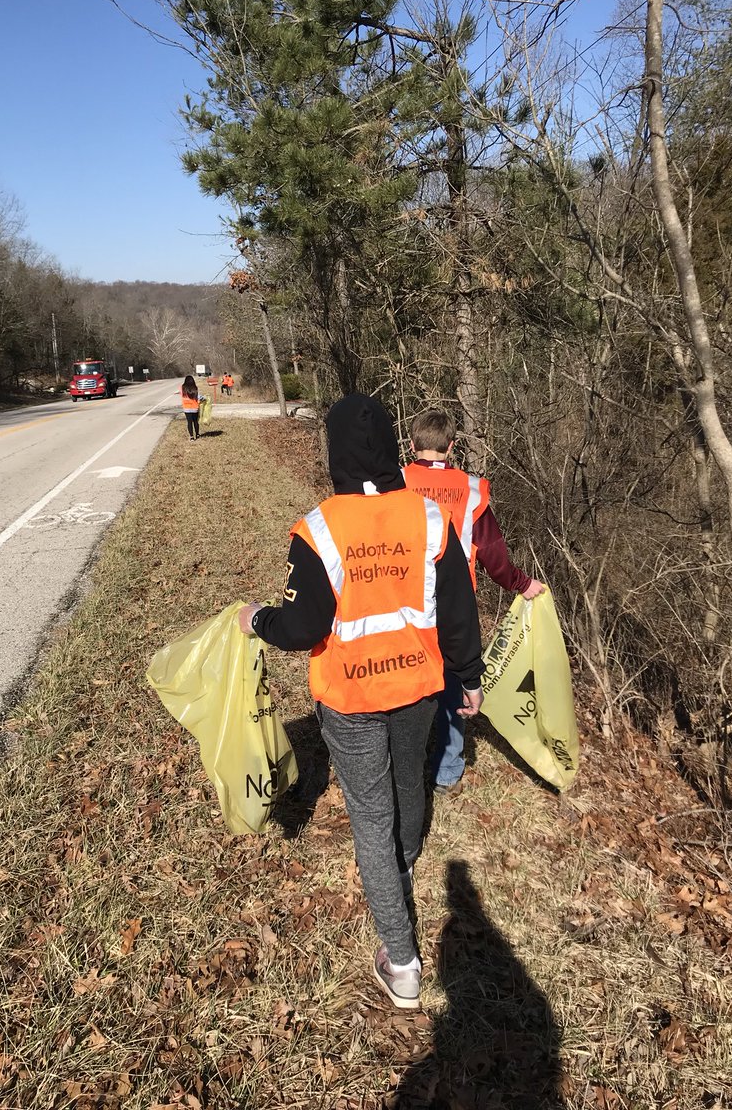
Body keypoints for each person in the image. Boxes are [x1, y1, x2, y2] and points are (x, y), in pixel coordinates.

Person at [238, 394, 483, 1011]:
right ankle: (399, 866)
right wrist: (471, 676)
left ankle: (401, 963)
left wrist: (255, 619)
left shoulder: (319, 528)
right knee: (408, 786)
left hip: (349, 699)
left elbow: (302, 628)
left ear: (335, 453)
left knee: (371, 814)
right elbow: (458, 611)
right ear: (391, 448)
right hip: (419, 689)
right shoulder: (431, 519)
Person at [402, 409, 545, 795]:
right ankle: (447, 772)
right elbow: (495, 557)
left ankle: (405, 764)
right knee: (454, 688)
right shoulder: (472, 490)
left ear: (412, 444)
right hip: (454, 606)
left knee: (406, 684)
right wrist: (522, 584)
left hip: (403, 601)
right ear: (451, 446)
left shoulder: (394, 482)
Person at [180, 375, 200, 440]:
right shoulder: (195, 388)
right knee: (195, 422)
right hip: (195, 408)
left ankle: (191, 437)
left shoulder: (182, 388)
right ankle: (197, 434)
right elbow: (197, 397)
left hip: (186, 408)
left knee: (189, 422)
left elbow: (181, 395)